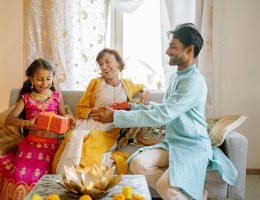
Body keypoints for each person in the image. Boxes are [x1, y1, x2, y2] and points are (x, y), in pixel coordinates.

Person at [90, 23, 238, 200]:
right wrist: (130, 106)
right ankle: (196, 194)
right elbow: (163, 108)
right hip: (173, 143)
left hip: (192, 146)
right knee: (138, 164)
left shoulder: (193, 82)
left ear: (189, 50)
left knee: (165, 188)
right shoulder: (177, 76)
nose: (167, 51)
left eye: (173, 46)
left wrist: (115, 116)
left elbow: (162, 115)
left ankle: (191, 194)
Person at [0, 58, 72, 200]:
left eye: (48, 79)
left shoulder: (57, 96)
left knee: (43, 173)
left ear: (53, 78)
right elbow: (9, 120)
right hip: (31, 144)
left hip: (51, 146)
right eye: (40, 79)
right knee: (19, 174)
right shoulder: (26, 98)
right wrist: (28, 123)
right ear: (31, 79)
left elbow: (64, 116)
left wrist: (69, 119)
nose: (45, 83)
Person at [52, 48, 145, 174]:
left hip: (110, 129)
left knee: (90, 143)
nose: (104, 67)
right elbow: (80, 109)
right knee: (76, 137)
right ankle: (68, 179)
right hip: (89, 124)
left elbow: (142, 88)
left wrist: (144, 96)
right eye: (101, 64)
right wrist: (93, 112)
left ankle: (86, 180)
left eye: (107, 62)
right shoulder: (96, 83)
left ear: (118, 62)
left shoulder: (128, 85)